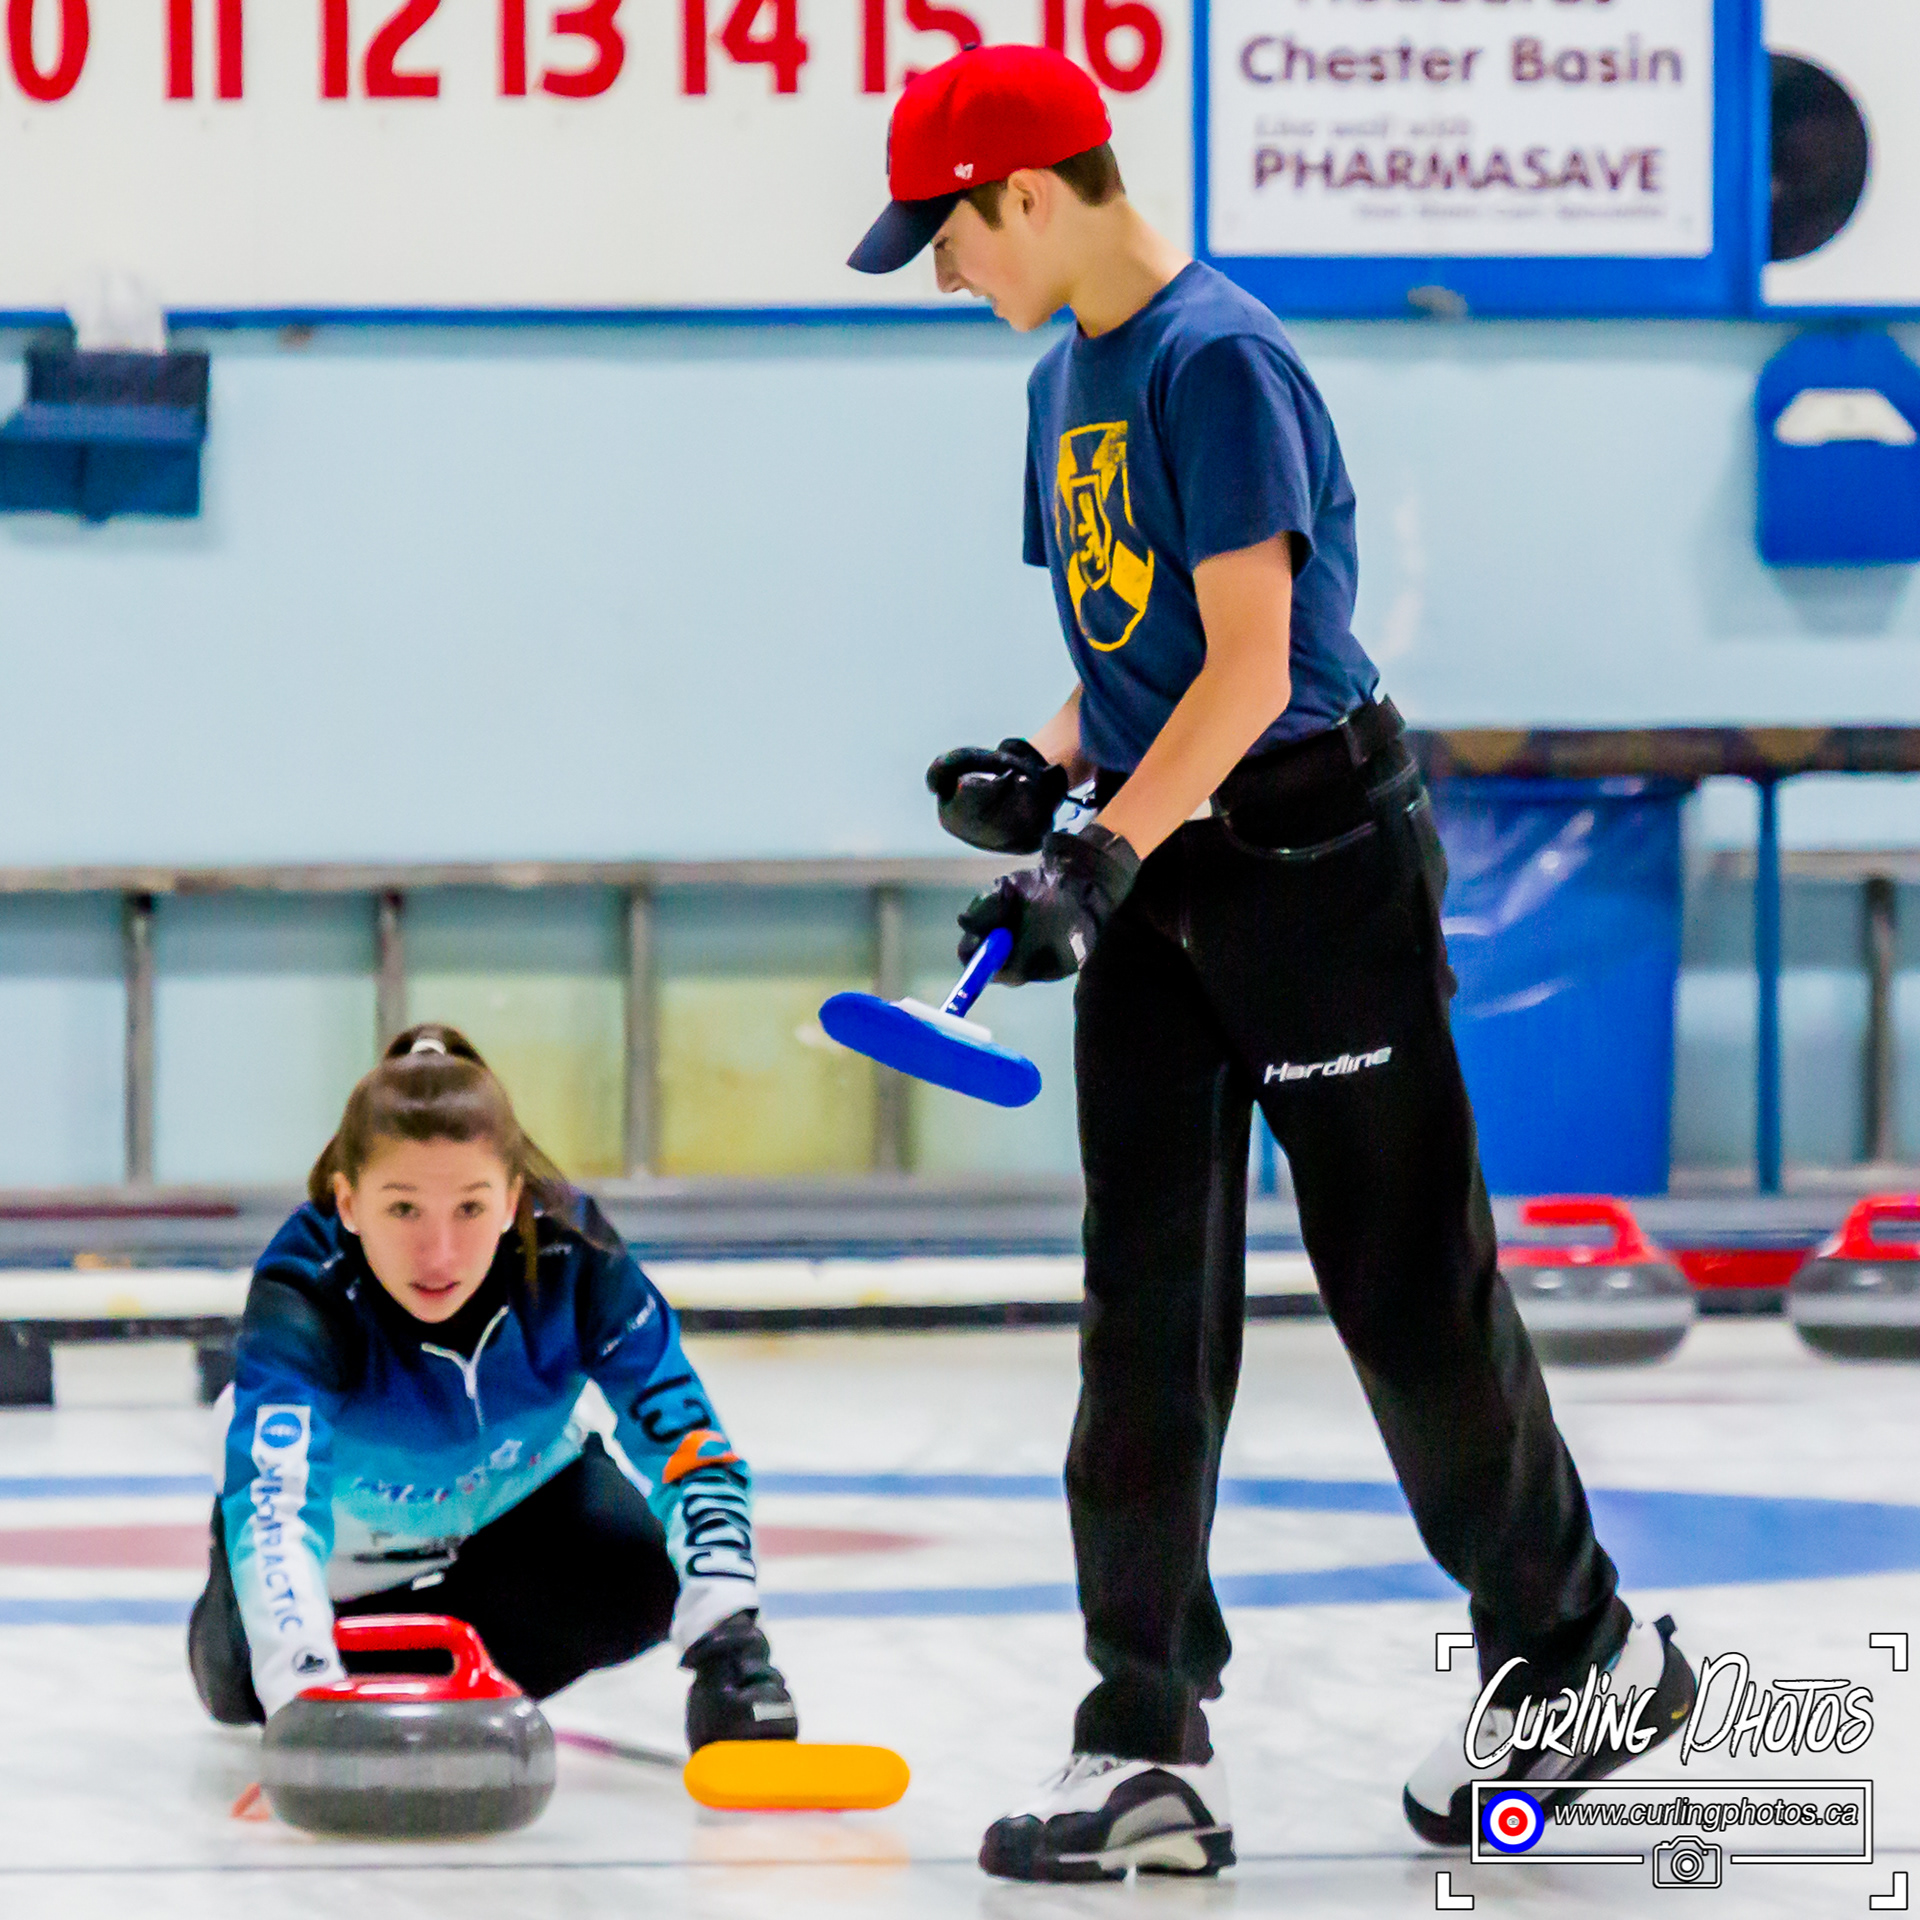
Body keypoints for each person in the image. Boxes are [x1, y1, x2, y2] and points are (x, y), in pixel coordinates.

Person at [848, 44, 1697, 1885]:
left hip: (1310, 867)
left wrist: (1109, 842)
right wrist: (1053, 765)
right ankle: (1144, 1734)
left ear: (1030, 194)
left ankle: (1581, 1650)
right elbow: (1143, 655)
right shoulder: (1065, 371)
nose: (941, 273)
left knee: (1405, 1285)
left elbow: (1252, 670)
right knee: (1143, 1307)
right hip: (1166, 873)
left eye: (947, 235)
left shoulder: (1215, 359)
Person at [187, 1023, 795, 1751]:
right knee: (242, 1685)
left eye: (470, 1208)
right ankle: (298, 1646)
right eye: (403, 1209)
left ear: (512, 1199)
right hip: (340, 1557)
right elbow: (274, 1502)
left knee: (636, 1572)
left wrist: (731, 1649)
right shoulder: (305, 1287)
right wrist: (304, 1687)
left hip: (512, 1520)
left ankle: (421, 1681)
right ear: (348, 1205)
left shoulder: (577, 1256)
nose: (438, 1252)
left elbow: (687, 1441)